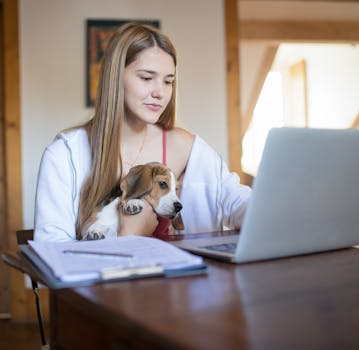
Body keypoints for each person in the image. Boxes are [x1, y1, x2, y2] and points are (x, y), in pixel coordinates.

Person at [34, 22, 251, 242]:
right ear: (115, 77)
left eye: (168, 81)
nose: (160, 92)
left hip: (181, 276)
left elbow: (237, 202)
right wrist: (129, 235)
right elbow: (52, 255)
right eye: (147, 78)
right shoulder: (65, 155)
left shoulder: (188, 149)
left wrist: (277, 209)